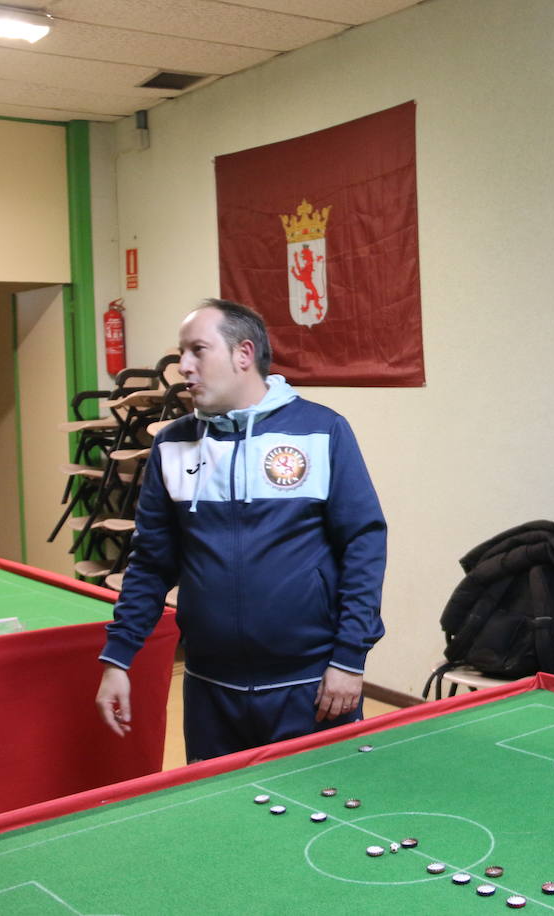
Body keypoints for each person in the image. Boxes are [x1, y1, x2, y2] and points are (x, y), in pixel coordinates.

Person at [95, 299, 387, 762]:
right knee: (224, 826)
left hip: (310, 686)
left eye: (198, 351)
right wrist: (118, 657)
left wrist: (350, 658)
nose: (183, 367)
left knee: (320, 818)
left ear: (243, 354)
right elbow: (150, 562)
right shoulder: (173, 444)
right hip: (210, 689)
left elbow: (363, 546)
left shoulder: (321, 430)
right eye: (181, 353)